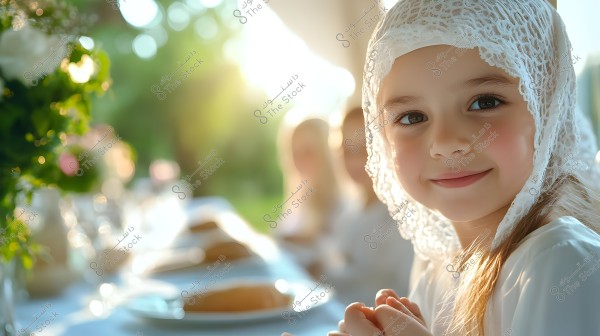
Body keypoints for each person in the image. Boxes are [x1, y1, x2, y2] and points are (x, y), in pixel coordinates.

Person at [330, 1, 600, 335]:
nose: (445, 143)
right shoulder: (437, 268)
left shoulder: (563, 263)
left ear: (547, 110)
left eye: (484, 102)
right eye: (412, 117)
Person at [321, 106, 414, 305]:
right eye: (347, 151)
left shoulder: (403, 218)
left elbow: (401, 292)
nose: (356, 161)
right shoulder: (351, 209)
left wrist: (325, 275)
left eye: (365, 149)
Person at [273, 117, 346, 277]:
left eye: (308, 152)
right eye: (294, 152)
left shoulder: (344, 204)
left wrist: (311, 241)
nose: (299, 160)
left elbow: (340, 265)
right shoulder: (300, 197)